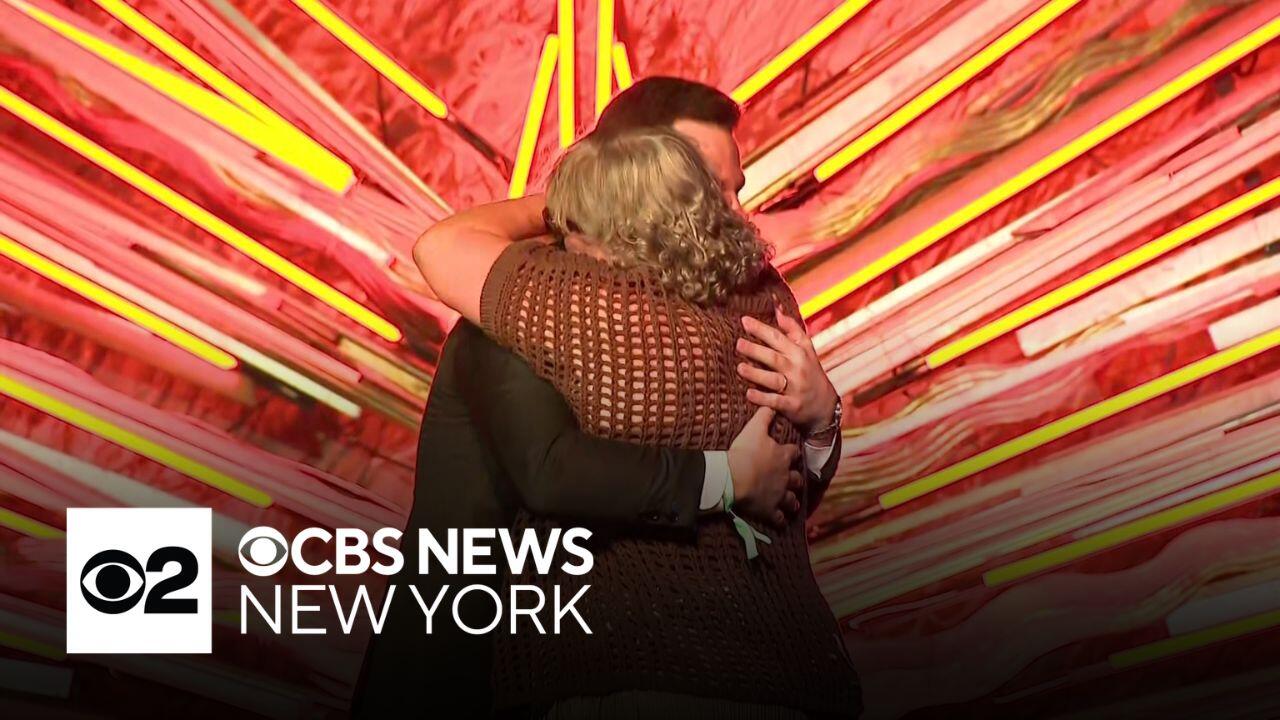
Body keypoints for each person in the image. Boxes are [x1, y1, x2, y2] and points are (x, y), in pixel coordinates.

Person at [352, 79, 828, 719]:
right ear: (633, 168)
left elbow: (780, 495)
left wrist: (823, 416)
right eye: (701, 183)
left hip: (625, 660)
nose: (730, 211)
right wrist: (727, 479)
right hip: (465, 659)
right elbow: (551, 470)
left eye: (732, 189)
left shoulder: (723, 301)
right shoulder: (536, 299)